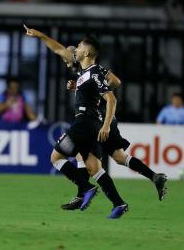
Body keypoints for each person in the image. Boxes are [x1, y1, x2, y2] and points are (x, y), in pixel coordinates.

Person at [25, 25, 128, 219]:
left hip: (85, 123)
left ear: (86, 52)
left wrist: (106, 124)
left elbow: (112, 95)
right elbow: (58, 49)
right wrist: (39, 34)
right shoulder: (84, 72)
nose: (75, 49)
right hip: (90, 124)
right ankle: (119, 203)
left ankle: (85, 189)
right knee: (92, 167)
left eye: (79, 46)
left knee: (56, 158)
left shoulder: (94, 72)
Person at [61, 65, 167, 211]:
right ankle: (154, 176)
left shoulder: (94, 70)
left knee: (84, 157)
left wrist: (43, 39)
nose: (68, 64)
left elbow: (115, 82)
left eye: (69, 60)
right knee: (119, 157)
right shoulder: (84, 74)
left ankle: (84, 194)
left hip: (100, 119)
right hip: (104, 118)